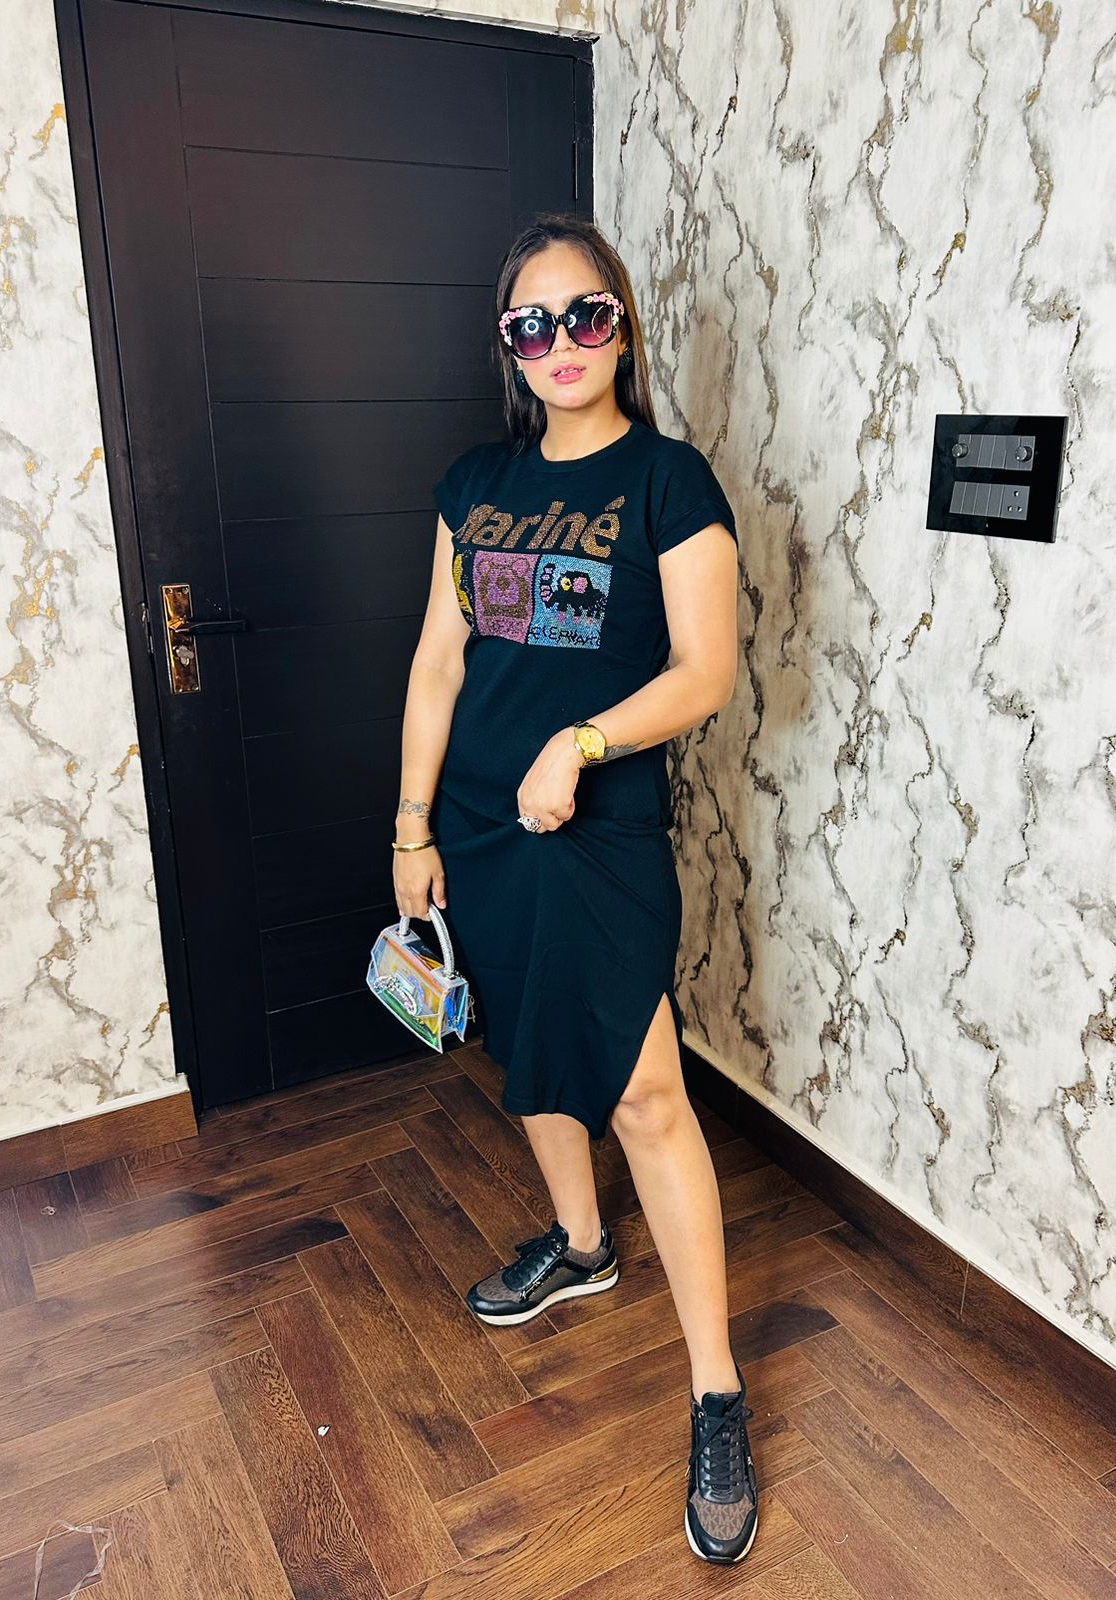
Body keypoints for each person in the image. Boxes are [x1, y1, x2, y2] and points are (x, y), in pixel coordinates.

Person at [392, 214, 757, 1565]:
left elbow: (706, 670)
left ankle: (716, 1392)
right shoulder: (472, 485)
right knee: (529, 1046)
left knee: (648, 1095)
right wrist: (411, 824)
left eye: (585, 314)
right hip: (481, 831)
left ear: (622, 328)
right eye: (532, 324)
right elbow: (439, 665)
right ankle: (583, 1242)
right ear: (509, 346)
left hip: (597, 830)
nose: (561, 343)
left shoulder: (668, 481)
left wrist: (583, 742)